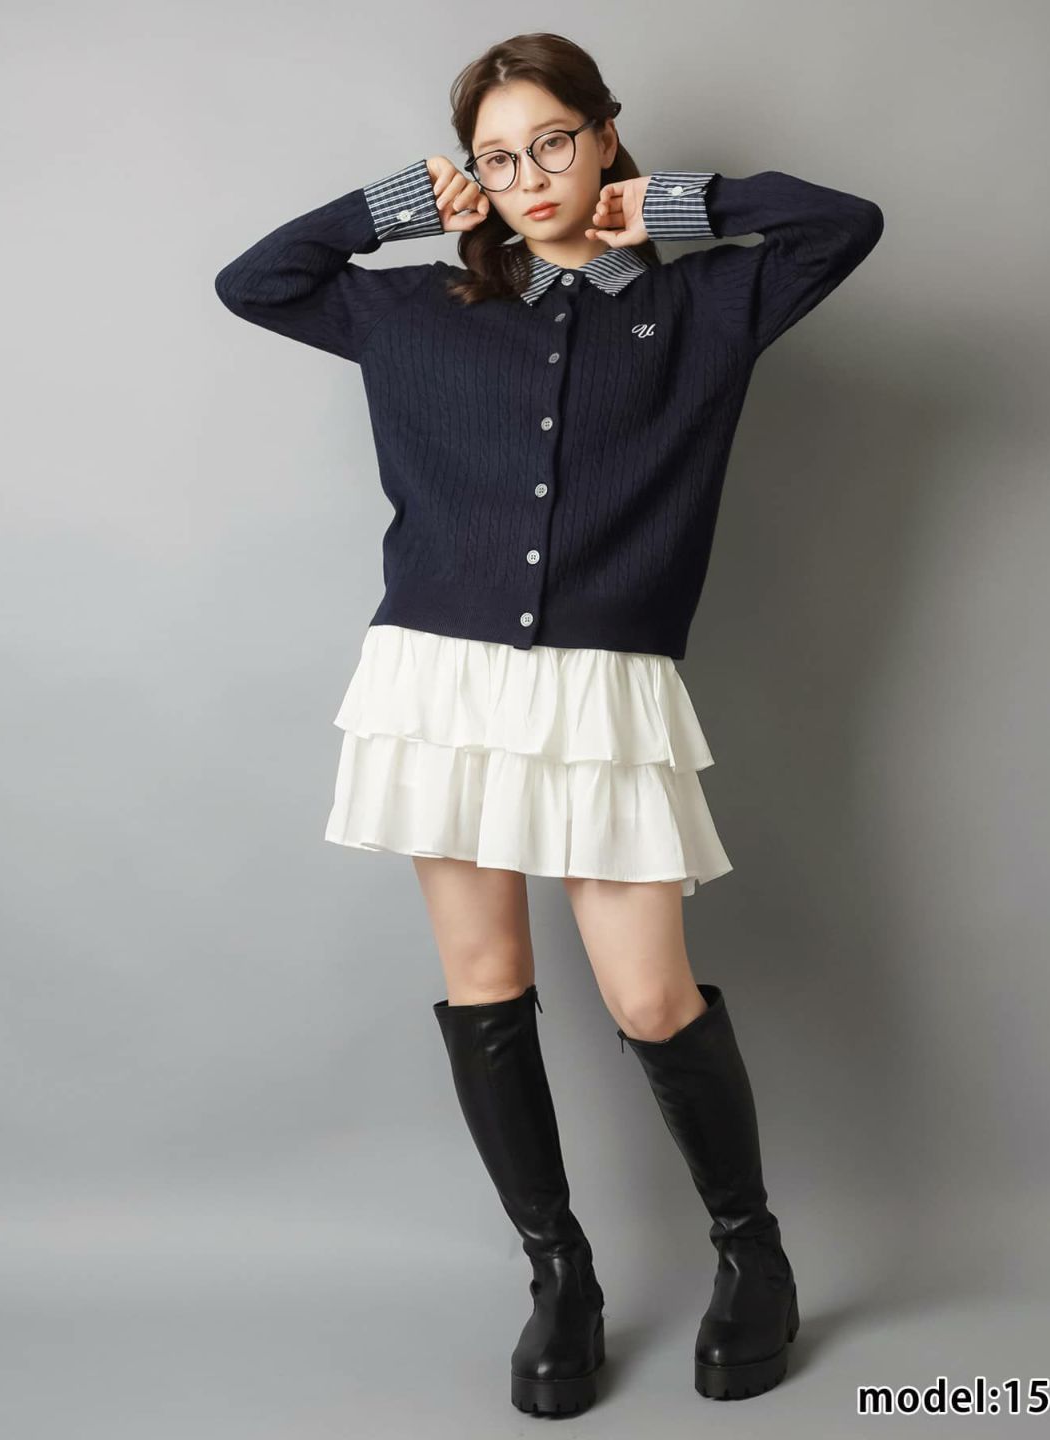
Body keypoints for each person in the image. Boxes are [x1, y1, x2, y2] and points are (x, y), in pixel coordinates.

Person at [214, 29, 883, 1417]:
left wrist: (674, 208)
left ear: (604, 134)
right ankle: (558, 1277)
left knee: (648, 995)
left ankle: (751, 1255)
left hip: (602, 688)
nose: (528, 176)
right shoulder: (420, 308)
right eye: (497, 157)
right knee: (486, 984)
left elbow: (844, 225)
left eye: (553, 142)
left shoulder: (705, 304)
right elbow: (256, 280)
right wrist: (399, 205)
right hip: (441, 683)